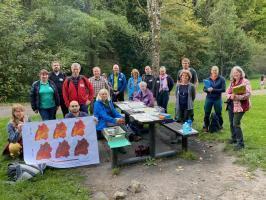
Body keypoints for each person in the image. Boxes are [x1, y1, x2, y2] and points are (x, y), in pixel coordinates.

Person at [226, 66, 251, 150]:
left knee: (236, 123)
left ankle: (240, 144)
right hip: (231, 105)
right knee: (231, 122)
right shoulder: (232, 82)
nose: (235, 74)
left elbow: (248, 94)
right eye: (234, 72)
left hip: (240, 106)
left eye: (237, 72)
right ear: (232, 74)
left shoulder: (245, 81)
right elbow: (227, 92)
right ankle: (234, 139)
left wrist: (237, 96)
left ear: (241, 73)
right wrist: (231, 96)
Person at [203, 66, 226, 132]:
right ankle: (206, 127)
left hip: (217, 99)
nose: (214, 71)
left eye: (216, 70)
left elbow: (223, 89)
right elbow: (204, 89)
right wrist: (207, 90)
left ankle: (220, 126)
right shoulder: (207, 79)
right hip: (209, 99)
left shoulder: (222, 79)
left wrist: (213, 90)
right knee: (207, 113)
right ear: (211, 71)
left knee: (218, 113)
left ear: (218, 71)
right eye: (213, 70)